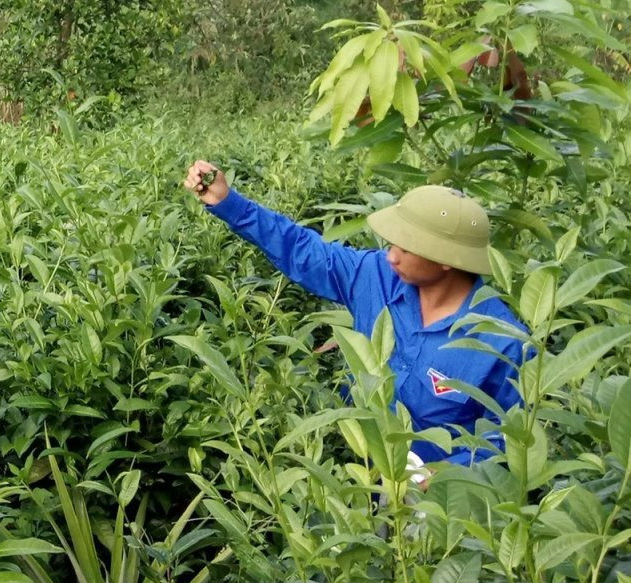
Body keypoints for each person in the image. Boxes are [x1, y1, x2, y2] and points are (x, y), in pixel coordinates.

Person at [186, 162, 529, 467]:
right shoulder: (376, 275)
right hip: (359, 466)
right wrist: (228, 202)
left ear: (445, 258)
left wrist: (440, 476)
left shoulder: (502, 342)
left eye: (405, 248)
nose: (391, 256)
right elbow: (304, 250)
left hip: (440, 507)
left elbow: (512, 444)